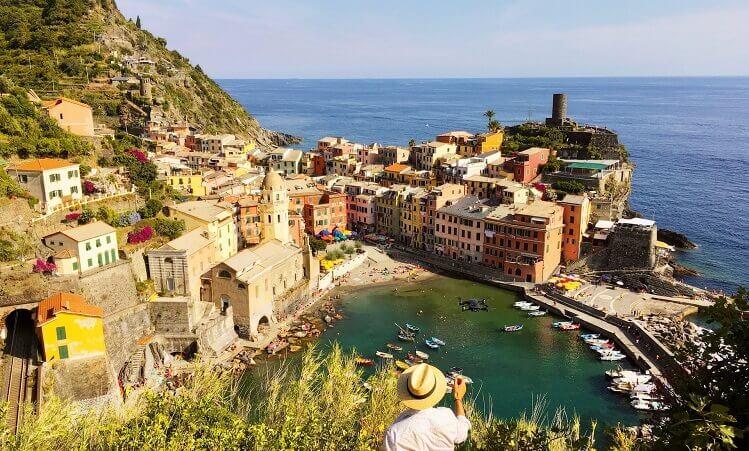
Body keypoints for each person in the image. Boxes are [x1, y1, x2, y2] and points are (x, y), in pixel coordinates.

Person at [381, 363, 470, 451]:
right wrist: (458, 399)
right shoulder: (446, 416)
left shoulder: (395, 433)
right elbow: (462, 433)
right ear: (434, 390)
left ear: (406, 391)